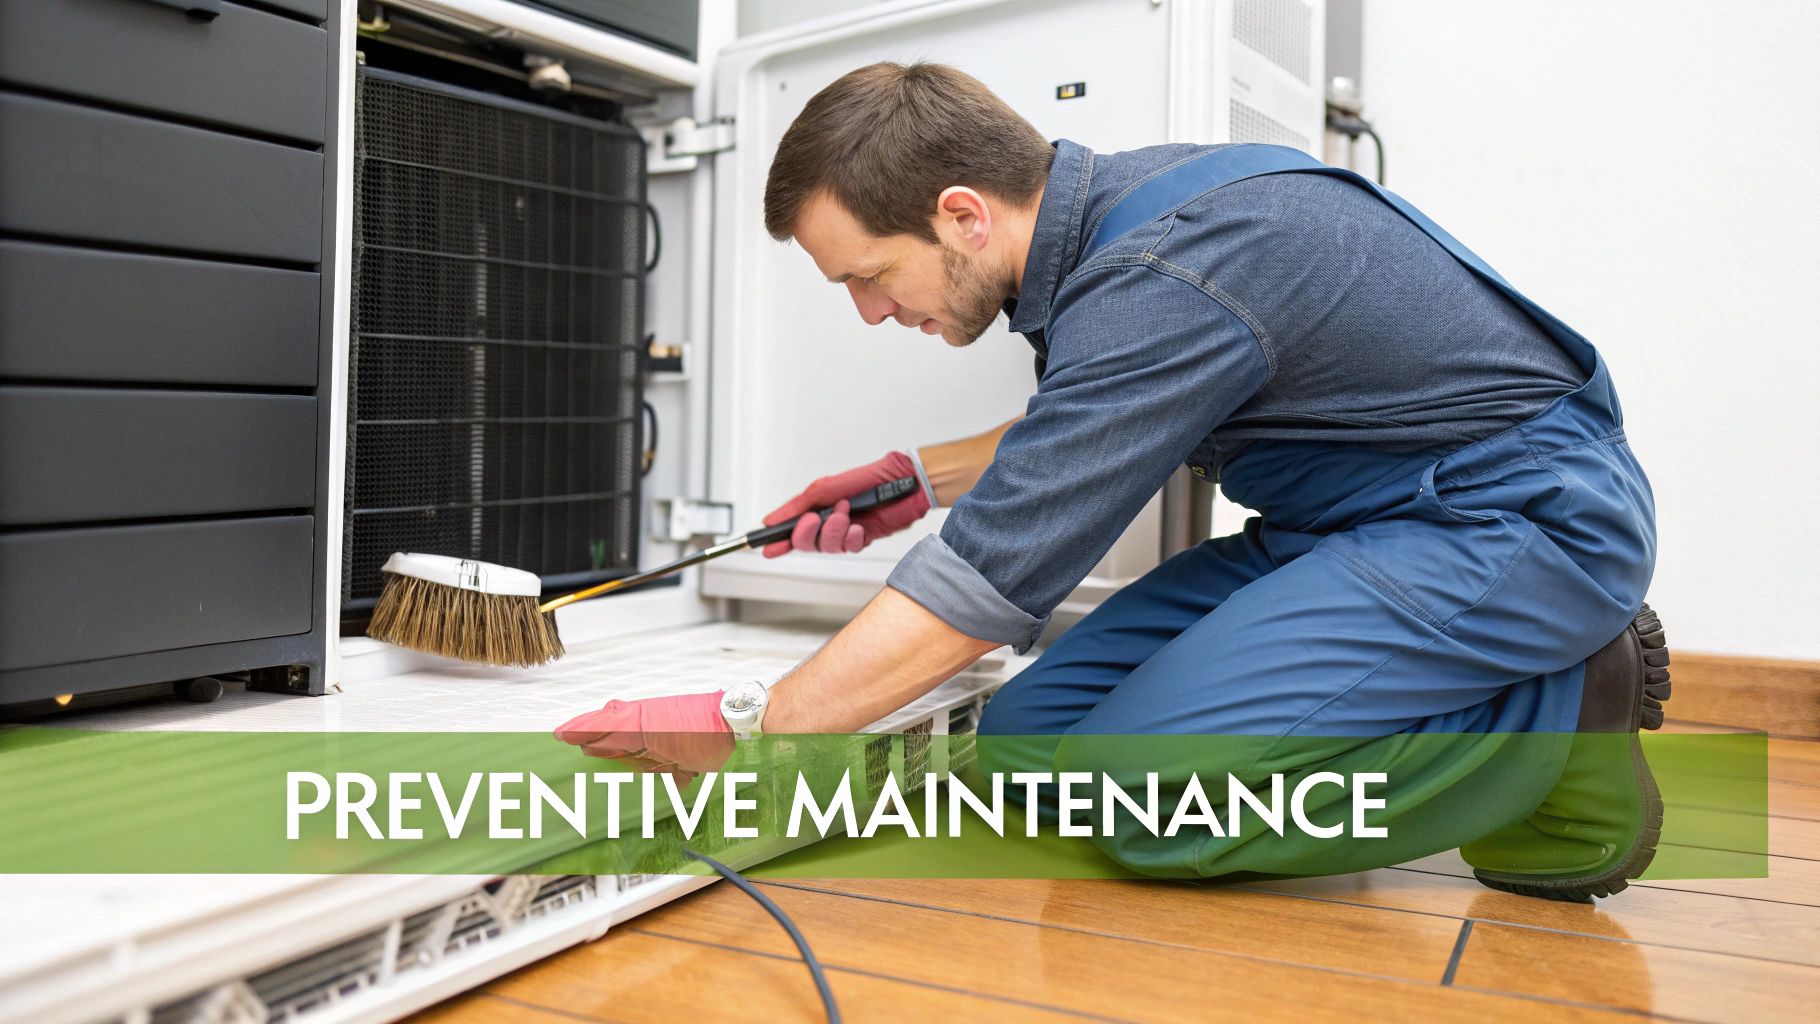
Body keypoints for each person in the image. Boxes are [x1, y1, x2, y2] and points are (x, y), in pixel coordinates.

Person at [555, 62, 1671, 902]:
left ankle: (1564, 698)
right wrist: (909, 478)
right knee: (1025, 740)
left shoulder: (1164, 273)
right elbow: (1091, 418)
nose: (870, 311)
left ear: (958, 213)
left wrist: (756, 727)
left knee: (1143, 806)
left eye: (869, 276)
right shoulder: (1120, 228)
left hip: (1512, 518)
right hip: (1353, 526)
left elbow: (981, 583)